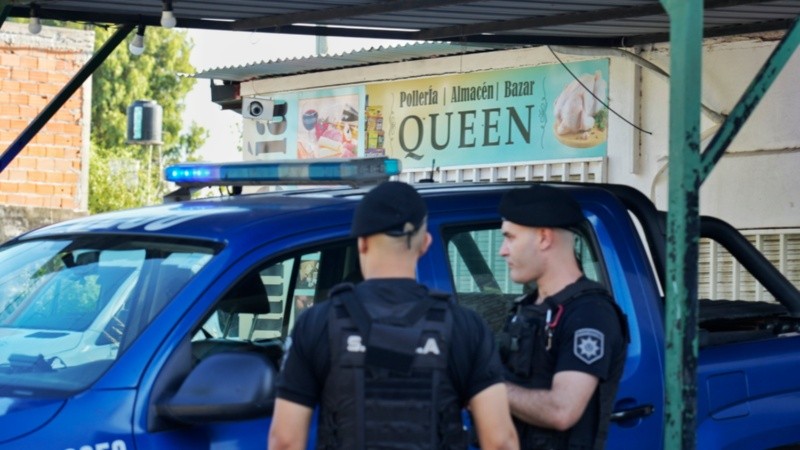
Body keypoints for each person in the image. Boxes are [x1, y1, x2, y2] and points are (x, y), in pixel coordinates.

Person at [268, 181, 518, 450]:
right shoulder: (466, 327)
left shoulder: (316, 324)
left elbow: (285, 441)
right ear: (424, 244)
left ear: (362, 243)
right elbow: (499, 441)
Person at [496, 185, 629, 450]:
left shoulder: (590, 314)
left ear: (544, 238)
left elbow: (562, 411)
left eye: (510, 237)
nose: (502, 250)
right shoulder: (528, 308)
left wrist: (486, 386)